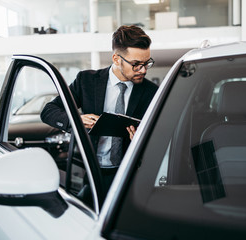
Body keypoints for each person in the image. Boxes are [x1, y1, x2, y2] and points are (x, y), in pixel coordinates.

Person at [41, 25, 158, 189]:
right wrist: (77, 120)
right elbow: (49, 112)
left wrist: (143, 140)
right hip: (90, 173)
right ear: (116, 59)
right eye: (136, 64)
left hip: (131, 176)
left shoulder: (152, 92)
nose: (143, 70)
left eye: (147, 63)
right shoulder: (86, 81)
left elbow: (159, 139)